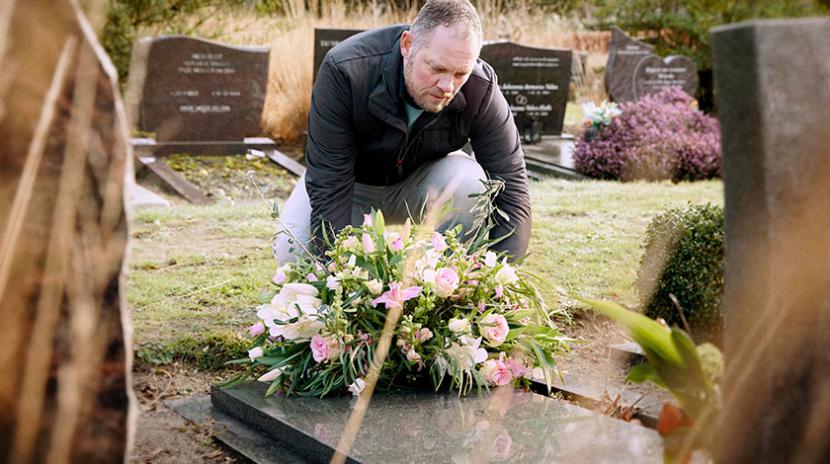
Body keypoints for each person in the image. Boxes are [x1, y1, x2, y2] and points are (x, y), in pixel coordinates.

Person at [273, 0, 531, 264]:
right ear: (407, 45)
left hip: (421, 186)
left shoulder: (480, 88)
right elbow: (329, 182)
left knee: (472, 183)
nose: (447, 86)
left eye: (460, 73)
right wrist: (336, 271)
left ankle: (443, 276)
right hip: (350, 186)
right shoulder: (345, 70)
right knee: (292, 251)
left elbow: (512, 189)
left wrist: (497, 274)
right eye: (437, 68)